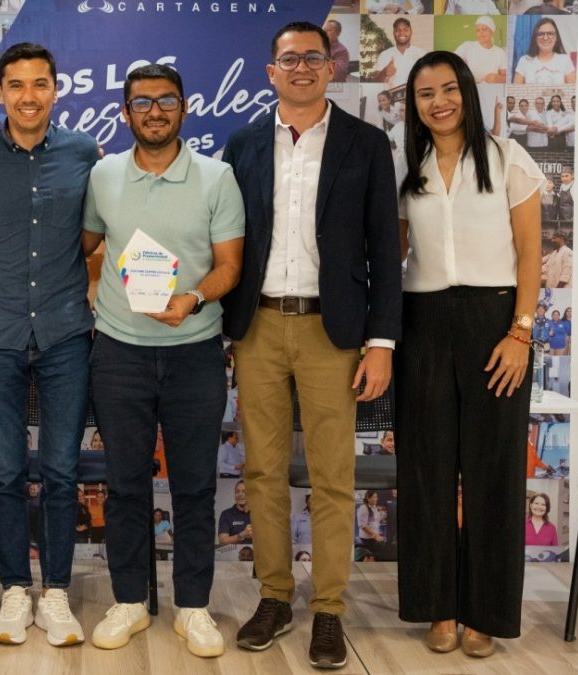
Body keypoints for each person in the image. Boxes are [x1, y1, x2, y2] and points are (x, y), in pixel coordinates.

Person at [222, 21, 400, 668]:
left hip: (335, 332)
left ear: (332, 68)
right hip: (259, 327)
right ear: (271, 71)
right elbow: (226, 239)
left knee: (332, 476)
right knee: (263, 472)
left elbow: (386, 247)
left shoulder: (366, 144)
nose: (301, 67)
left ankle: (328, 607)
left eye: (313, 58)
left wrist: (382, 341)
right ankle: (274, 596)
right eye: (289, 59)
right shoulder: (242, 143)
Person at [82, 62, 244, 659]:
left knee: (195, 487)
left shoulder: (217, 177)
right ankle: (129, 600)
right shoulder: (102, 175)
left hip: (195, 352)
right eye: (143, 102)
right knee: (124, 486)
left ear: (184, 108)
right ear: (126, 112)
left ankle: (193, 607)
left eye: (167, 100)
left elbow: (229, 265)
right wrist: (95, 282)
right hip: (118, 352)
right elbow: (87, 243)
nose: (155, 111)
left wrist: (193, 298)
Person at [395, 51, 544, 659]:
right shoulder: (409, 168)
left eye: (449, 89)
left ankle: (484, 614)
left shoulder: (509, 158)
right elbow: (394, 252)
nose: (439, 102)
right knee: (426, 470)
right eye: (425, 93)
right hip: (422, 323)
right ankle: (441, 607)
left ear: (467, 93)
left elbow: (531, 253)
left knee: (493, 471)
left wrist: (520, 333)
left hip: (495, 324)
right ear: (414, 105)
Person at [0, 42, 99, 649]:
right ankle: (16, 588)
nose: (29, 96)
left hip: (66, 332)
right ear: (0, 92)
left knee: (62, 470)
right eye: (16, 85)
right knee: (8, 471)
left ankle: (57, 591)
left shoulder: (84, 153)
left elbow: (96, 236)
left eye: (40, 84)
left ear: (56, 91)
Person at [368, 18, 427, 88]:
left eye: (405, 30)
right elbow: (375, 82)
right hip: (391, 94)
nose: (401, 33)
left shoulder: (422, 54)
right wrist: (385, 72)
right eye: (398, 30)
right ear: (393, 33)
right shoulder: (384, 55)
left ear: (411, 32)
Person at [514, 18, 576, 84]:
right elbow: (516, 89)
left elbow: (573, 89)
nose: (545, 38)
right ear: (535, 38)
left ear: (556, 37)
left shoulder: (565, 60)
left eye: (550, 33)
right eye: (541, 34)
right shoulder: (524, 61)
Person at [454, 17, 506, 84]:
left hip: (490, 87)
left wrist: (497, 78)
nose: (480, 32)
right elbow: (451, 61)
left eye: (484, 29)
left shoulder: (499, 52)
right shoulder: (468, 46)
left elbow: (505, 77)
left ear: (491, 31)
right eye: (478, 30)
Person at [217, 481, 253, 546]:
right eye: (237, 491)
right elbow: (222, 541)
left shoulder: (258, 514)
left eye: (244, 491)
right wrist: (243, 535)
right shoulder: (226, 514)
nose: (240, 494)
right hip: (234, 552)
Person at [354, 491, 384, 557]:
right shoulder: (363, 508)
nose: (376, 499)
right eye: (374, 497)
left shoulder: (374, 507)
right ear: (368, 498)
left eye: (376, 497)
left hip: (373, 537)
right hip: (367, 539)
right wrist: (375, 536)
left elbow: (374, 521)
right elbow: (362, 526)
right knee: (371, 556)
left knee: (375, 555)